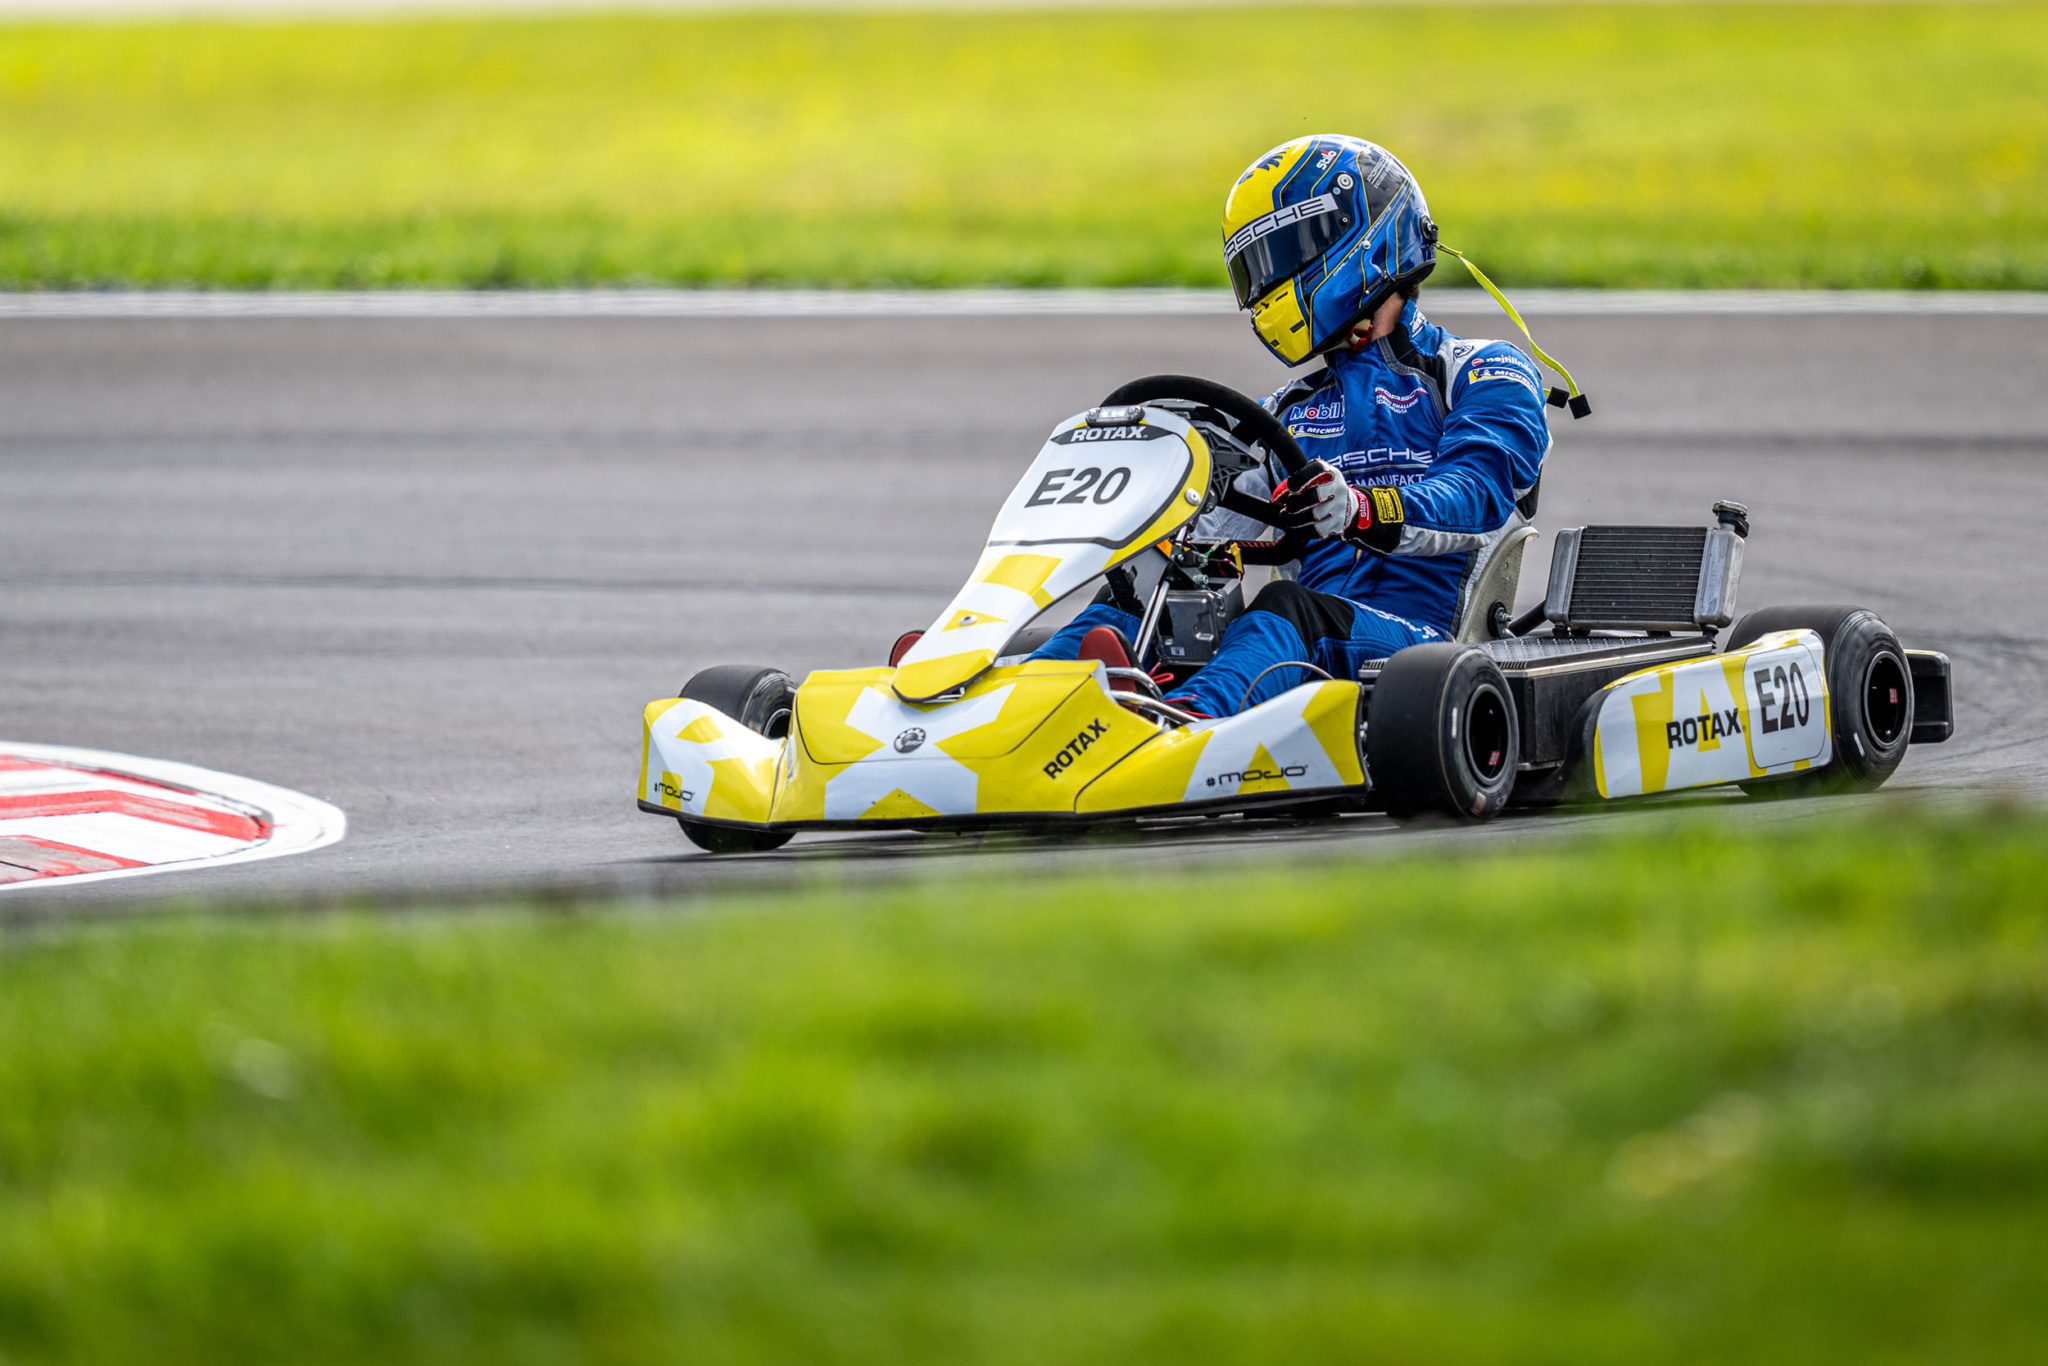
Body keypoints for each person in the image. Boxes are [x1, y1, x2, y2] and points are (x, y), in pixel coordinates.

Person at [1029, 133, 1582, 717]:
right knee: (1144, 592)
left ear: (1365, 242)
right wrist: (1159, 531)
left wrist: (1362, 509)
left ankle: (1186, 722)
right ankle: (1016, 705)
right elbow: (1213, 526)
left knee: (1288, 605)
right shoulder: (1286, 411)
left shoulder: (1484, 370)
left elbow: (1478, 493)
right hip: (1304, 639)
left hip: (1424, 650)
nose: (1270, 280)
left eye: (1288, 251)